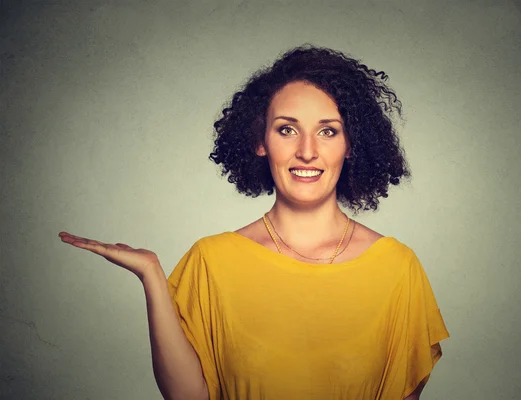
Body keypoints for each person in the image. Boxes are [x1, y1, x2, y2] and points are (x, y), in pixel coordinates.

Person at [59, 45, 449, 400]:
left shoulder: (397, 268)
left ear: (351, 146)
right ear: (260, 141)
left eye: (328, 131)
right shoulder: (212, 260)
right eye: (287, 129)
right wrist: (151, 276)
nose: (307, 151)